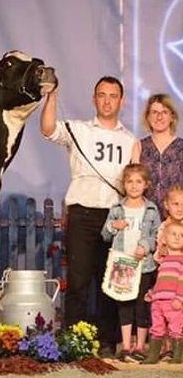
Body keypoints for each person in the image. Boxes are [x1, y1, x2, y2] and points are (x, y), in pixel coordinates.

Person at [40, 77, 136, 357]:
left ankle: (107, 340)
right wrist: (53, 97)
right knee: (79, 280)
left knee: (110, 281)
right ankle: (75, 339)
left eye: (113, 96)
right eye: (102, 95)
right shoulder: (79, 129)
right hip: (82, 213)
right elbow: (47, 130)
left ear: (122, 101)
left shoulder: (129, 140)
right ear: (94, 99)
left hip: (114, 216)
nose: (107, 101)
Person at [101, 163, 160, 362]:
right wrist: (112, 226)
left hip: (143, 266)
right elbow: (105, 235)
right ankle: (126, 346)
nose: (134, 186)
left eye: (138, 182)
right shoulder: (117, 209)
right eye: (129, 182)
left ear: (146, 185)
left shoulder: (151, 209)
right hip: (123, 266)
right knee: (124, 305)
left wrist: (145, 246)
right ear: (124, 185)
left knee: (142, 306)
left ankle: (141, 346)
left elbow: (157, 236)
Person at [132, 94, 183, 218]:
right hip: (145, 219)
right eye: (154, 112)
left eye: (164, 112)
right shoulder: (139, 146)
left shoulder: (181, 146)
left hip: (176, 222)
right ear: (148, 117)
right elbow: (132, 184)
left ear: (172, 116)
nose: (159, 117)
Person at [143, 221, 183, 364]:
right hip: (158, 301)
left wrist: (179, 298)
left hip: (173, 302)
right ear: (164, 239)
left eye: (181, 235)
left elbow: (181, 282)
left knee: (176, 328)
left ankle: (178, 355)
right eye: (173, 234)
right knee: (156, 328)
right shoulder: (164, 261)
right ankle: (153, 355)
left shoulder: (181, 261)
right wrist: (153, 293)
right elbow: (161, 281)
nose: (178, 237)